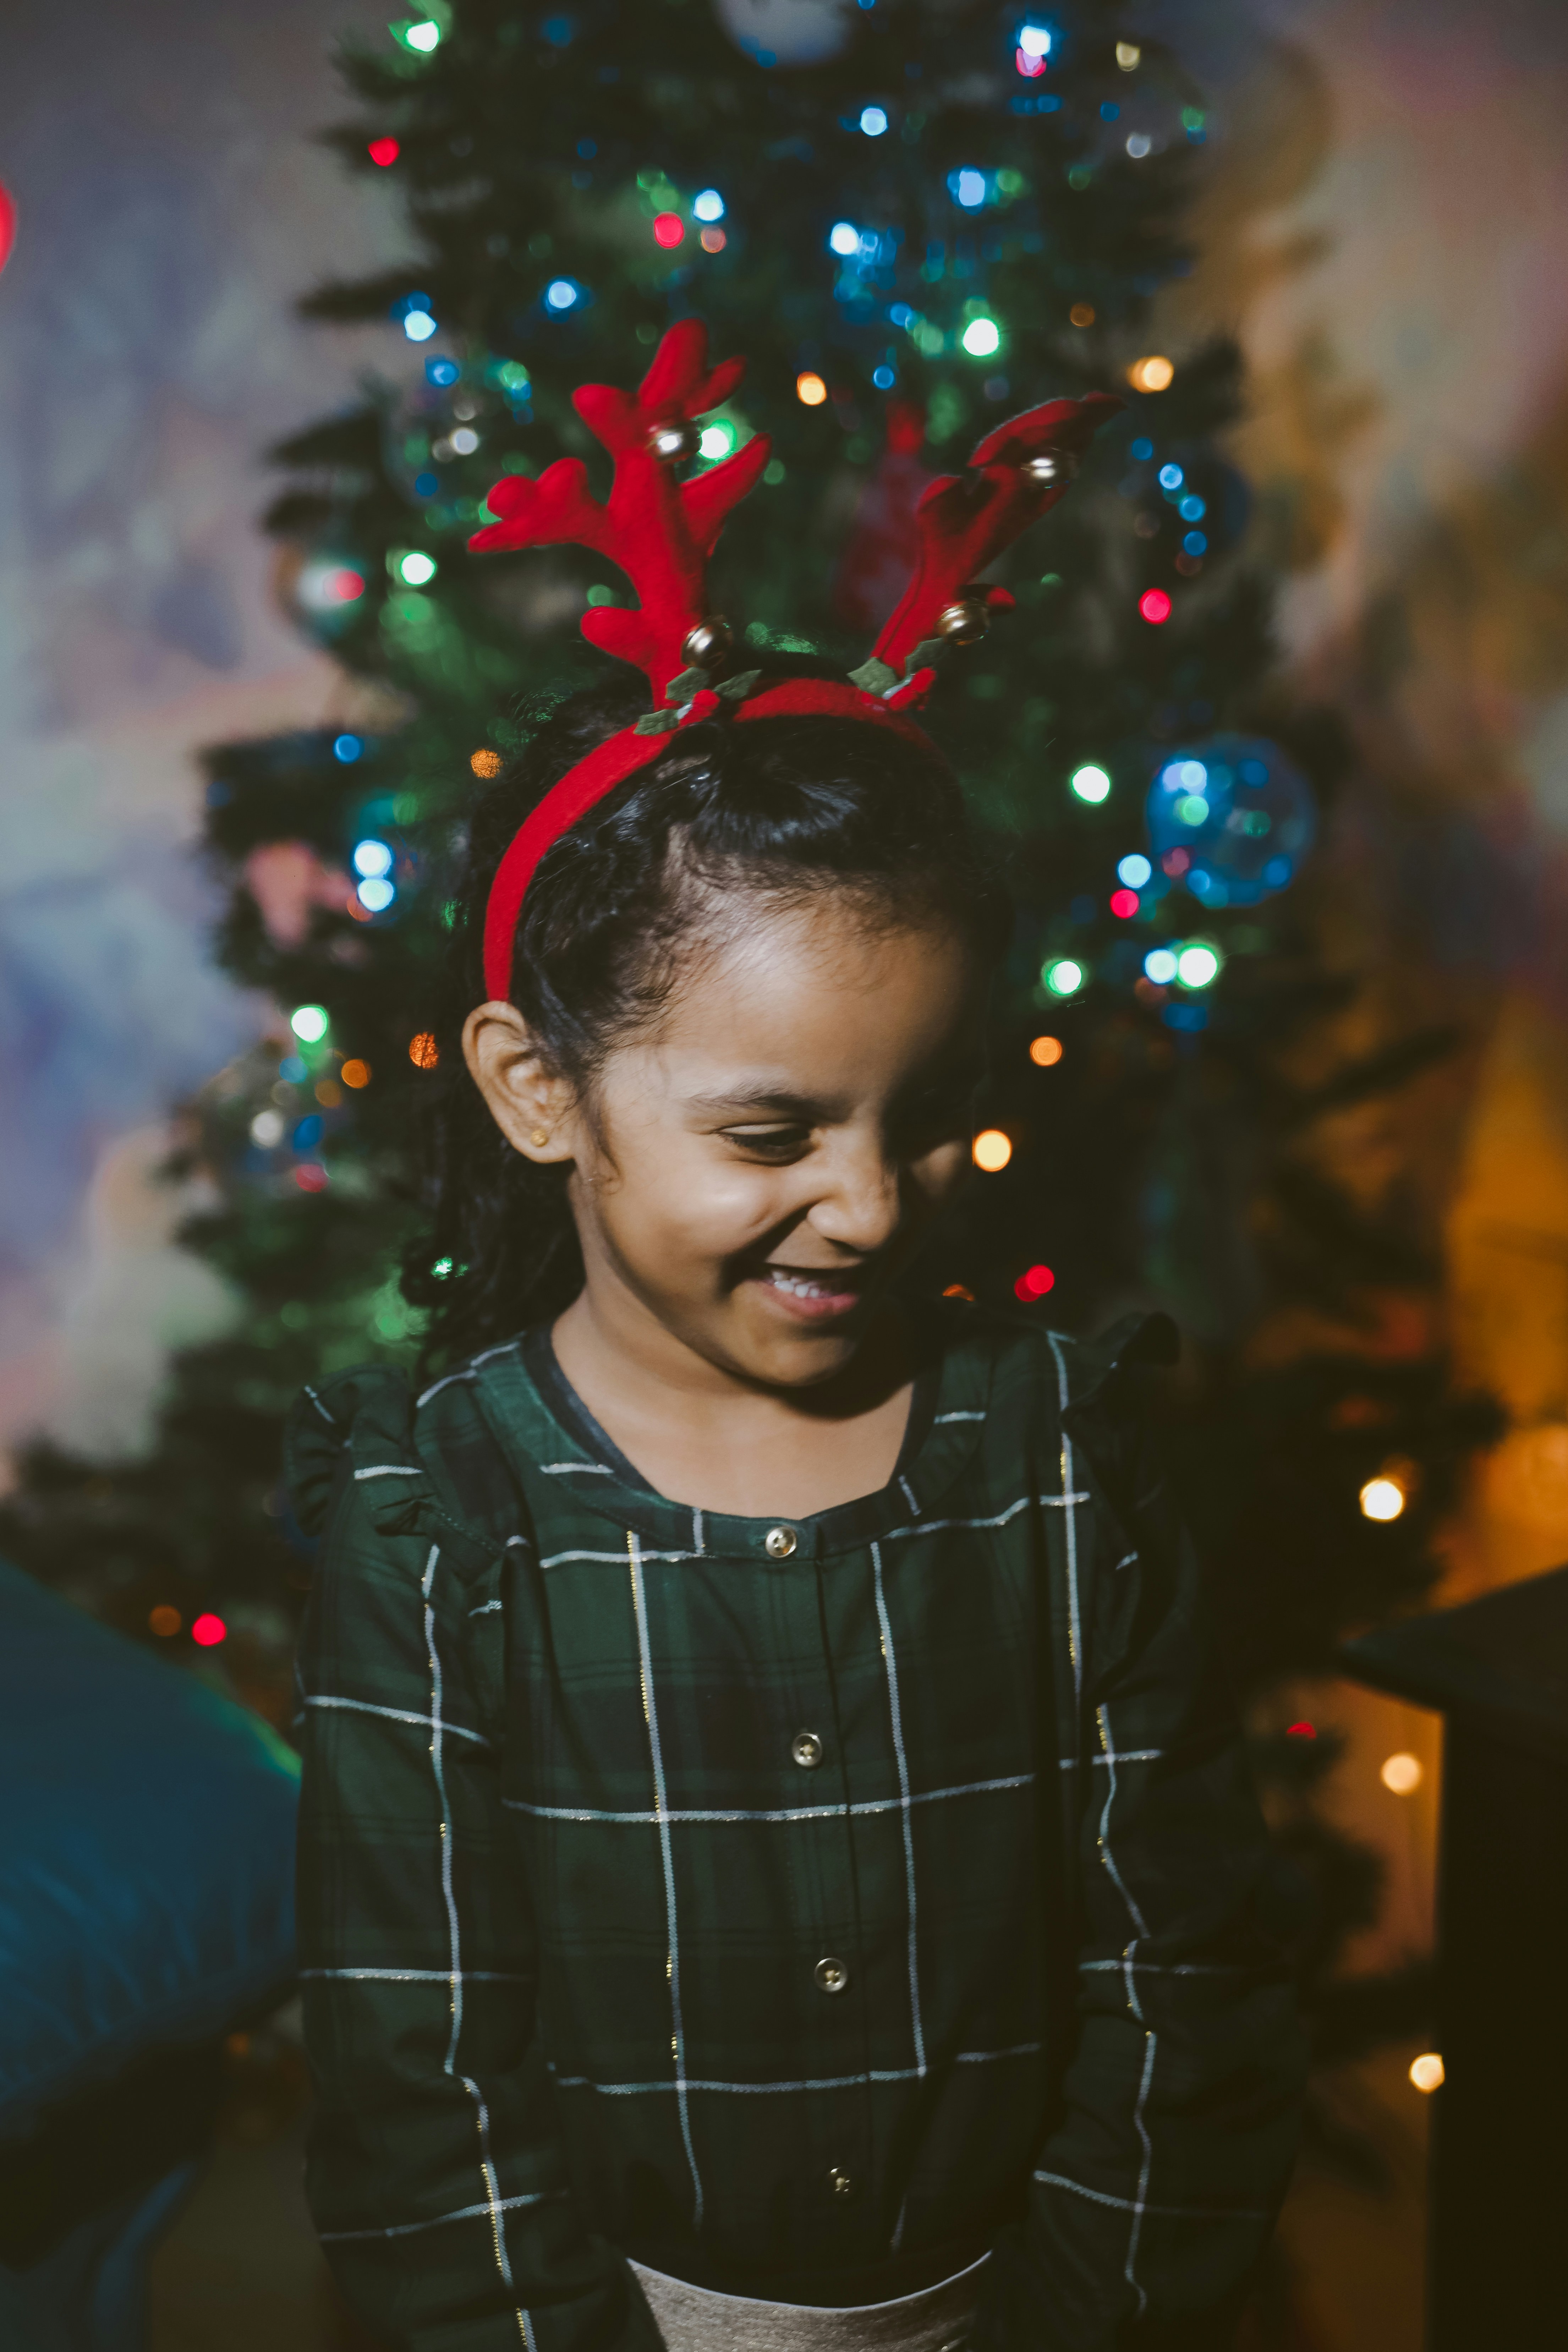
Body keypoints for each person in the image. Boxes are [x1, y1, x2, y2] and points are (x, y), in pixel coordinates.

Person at [288, 327, 1303, 2352]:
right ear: (535, 1087)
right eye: (768, 1131)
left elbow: (1179, 1969)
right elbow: (418, 2097)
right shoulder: (432, 1519)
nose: (869, 1200)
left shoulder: (1062, 1458)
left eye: (923, 1117)